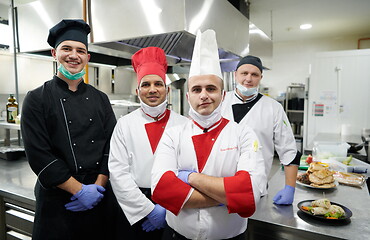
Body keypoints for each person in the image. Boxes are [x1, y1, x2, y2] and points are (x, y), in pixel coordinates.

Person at [151, 29, 266, 240]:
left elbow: (250, 192)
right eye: (197, 89)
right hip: (177, 235)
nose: (204, 95)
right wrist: (228, 196)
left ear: (222, 95)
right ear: (188, 96)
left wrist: (189, 178)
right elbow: (161, 189)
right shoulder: (172, 135)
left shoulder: (243, 134)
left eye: (211, 88)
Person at [21, 19, 124, 240]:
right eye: (66, 48)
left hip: (99, 196)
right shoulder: (36, 98)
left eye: (80, 50)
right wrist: (79, 190)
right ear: (54, 53)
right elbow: (39, 155)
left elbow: (112, 146)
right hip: (58, 203)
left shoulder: (100, 98)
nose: (73, 55)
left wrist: (97, 188)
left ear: (88, 57)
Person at [108, 46, 188, 239]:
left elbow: (190, 170)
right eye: (146, 85)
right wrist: (148, 211)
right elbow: (118, 173)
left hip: (173, 207)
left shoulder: (185, 125)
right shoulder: (124, 125)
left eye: (158, 84)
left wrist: (167, 207)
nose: (152, 90)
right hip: (133, 210)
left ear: (167, 89)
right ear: (137, 90)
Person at [221, 55, 301, 205]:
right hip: (218, 187)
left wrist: (290, 188)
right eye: (244, 73)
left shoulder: (273, 108)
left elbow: (288, 149)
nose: (248, 79)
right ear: (235, 74)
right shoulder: (219, 101)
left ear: (260, 78)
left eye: (254, 74)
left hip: (255, 187)